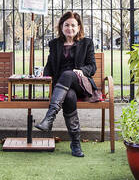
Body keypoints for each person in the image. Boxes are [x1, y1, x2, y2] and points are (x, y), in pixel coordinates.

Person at [35, 11, 98, 157]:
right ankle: (75, 143)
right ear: (62, 27)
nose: (70, 28)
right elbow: (50, 66)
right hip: (63, 89)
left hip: (81, 83)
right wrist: (42, 73)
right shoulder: (55, 44)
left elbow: (92, 67)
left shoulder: (87, 43)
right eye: (67, 25)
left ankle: (49, 117)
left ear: (78, 27)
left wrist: (81, 70)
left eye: (73, 25)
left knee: (69, 74)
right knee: (69, 97)